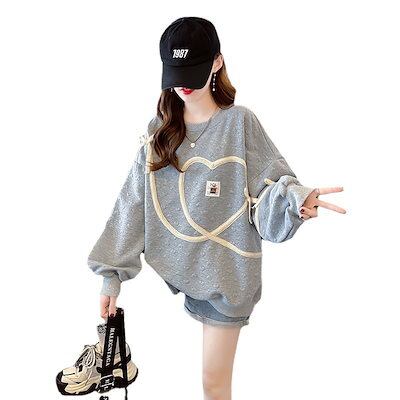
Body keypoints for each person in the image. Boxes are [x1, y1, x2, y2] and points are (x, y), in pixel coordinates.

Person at [87, 16, 346, 400]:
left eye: (193, 70)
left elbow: (271, 187)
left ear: (217, 62)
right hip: (175, 265)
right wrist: (111, 276)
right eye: (176, 74)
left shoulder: (239, 123)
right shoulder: (159, 130)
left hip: (226, 273)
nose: (184, 84)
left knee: (213, 384)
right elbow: (133, 204)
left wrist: (295, 201)